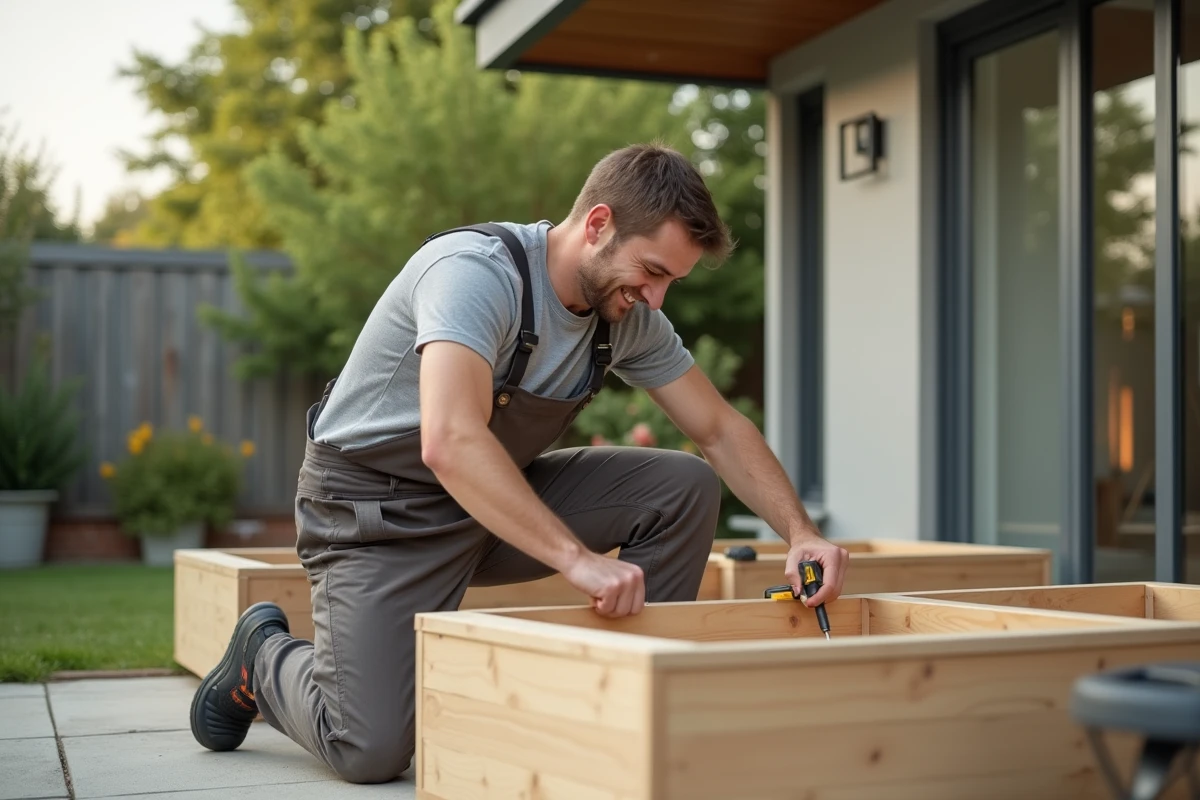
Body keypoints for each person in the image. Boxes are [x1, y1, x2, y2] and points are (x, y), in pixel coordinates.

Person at [188, 142, 848, 783]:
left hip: (490, 507)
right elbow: (450, 439)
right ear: (598, 225)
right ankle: (260, 658)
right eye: (651, 271)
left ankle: (628, 714)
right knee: (369, 749)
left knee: (682, 486)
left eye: (670, 281)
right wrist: (576, 560)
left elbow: (720, 429)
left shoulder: (626, 318)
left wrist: (801, 532)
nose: (656, 298)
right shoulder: (475, 274)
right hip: (377, 517)